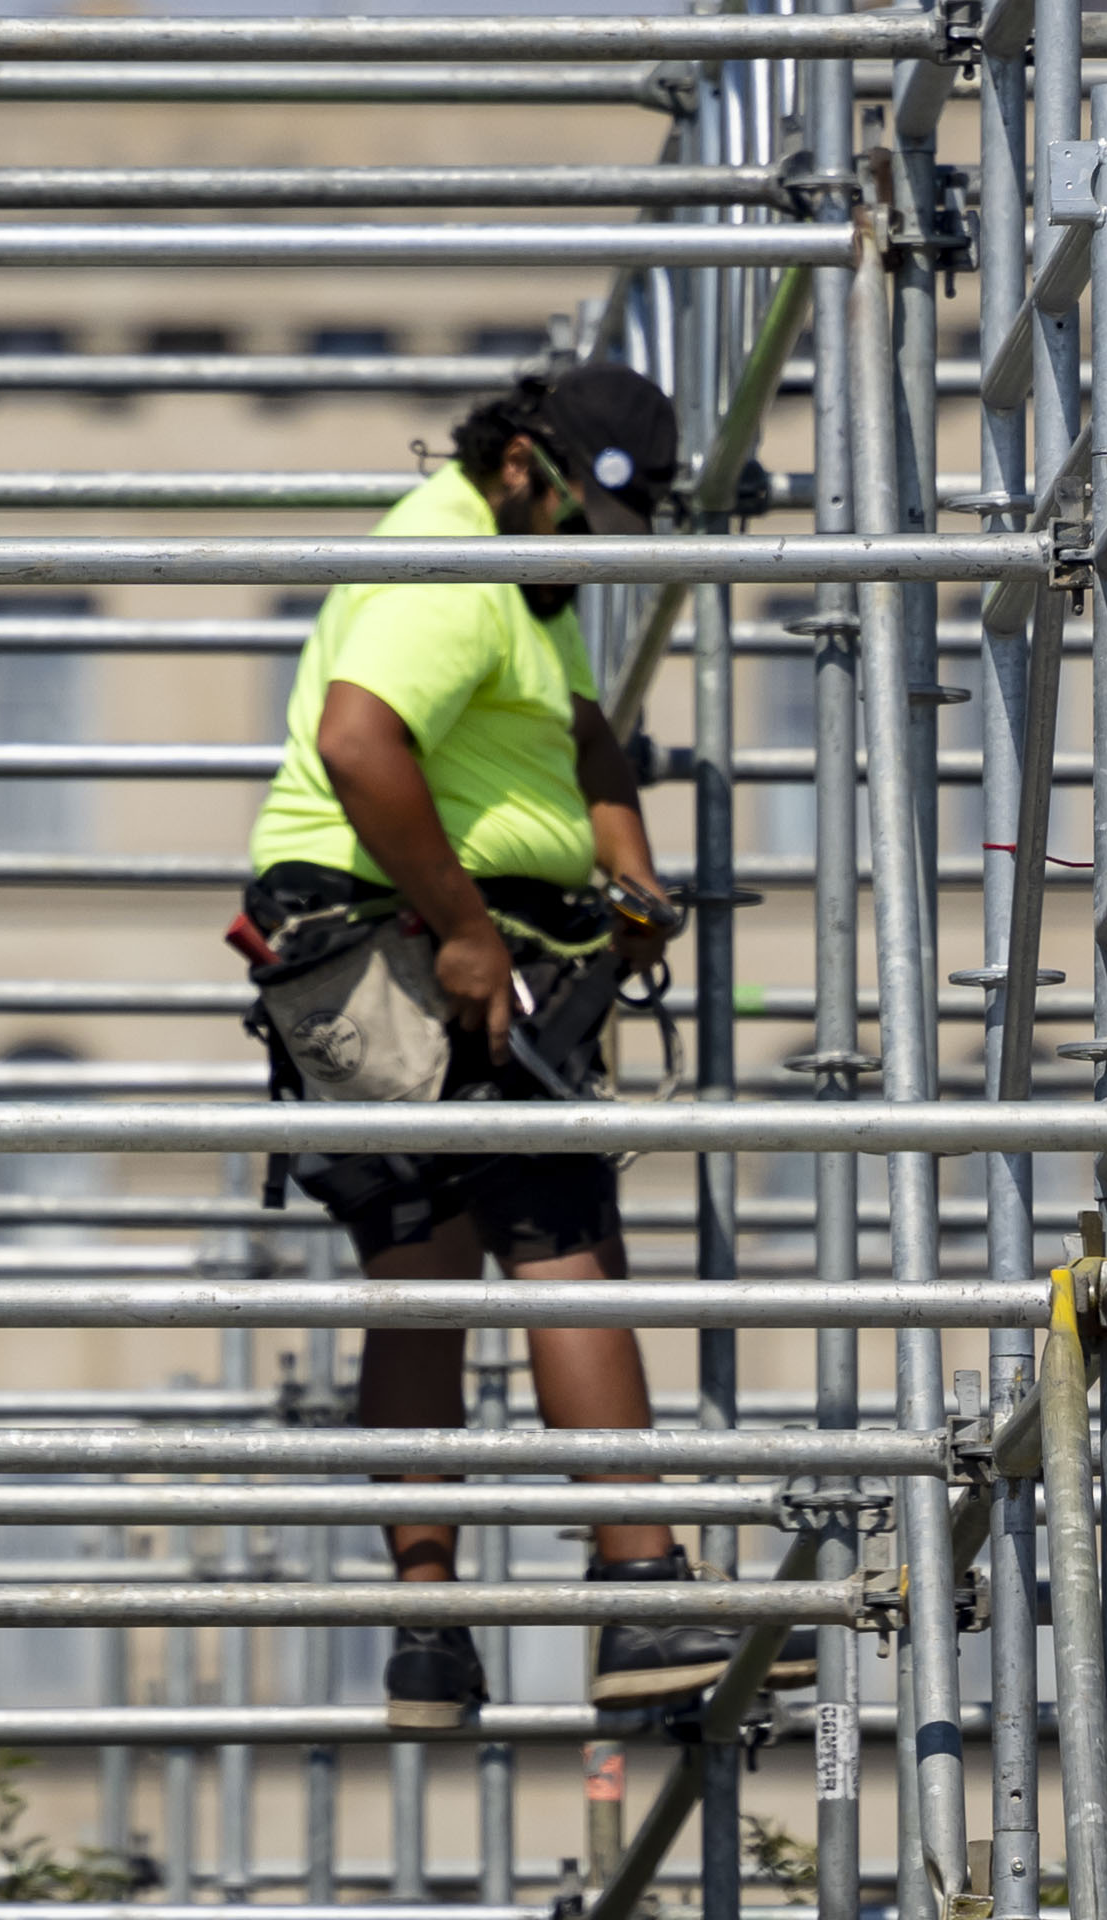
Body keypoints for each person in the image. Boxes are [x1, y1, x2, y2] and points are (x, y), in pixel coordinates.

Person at [239, 359, 812, 1730]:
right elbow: (361, 745)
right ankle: (643, 1599)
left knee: (422, 1271)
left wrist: (621, 866)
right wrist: (469, 932)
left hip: (368, 951)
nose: (590, 561)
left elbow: (579, 733)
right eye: (581, 526)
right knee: (562, 1243)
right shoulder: (454, 565)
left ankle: (430, 1635)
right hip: (410, 943)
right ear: (519, 469)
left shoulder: (515, 580)